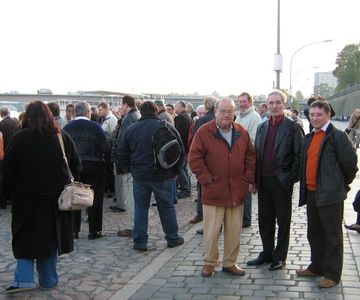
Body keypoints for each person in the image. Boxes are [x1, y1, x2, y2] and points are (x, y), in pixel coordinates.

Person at [2, 101, 81, 293]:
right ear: (49, 116)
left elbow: (7, 171)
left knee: (24, 238)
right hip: (56, 201)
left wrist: (8, 194)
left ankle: (24, 280)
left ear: (28, 116)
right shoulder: (61, 137)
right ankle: (48, 280)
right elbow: (76, 166)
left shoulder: (20, 139)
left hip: (26, 199)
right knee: (50, 240)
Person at [189, 98, 256, 277]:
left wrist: (246, 179)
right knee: (211, 231)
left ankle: (229, 262)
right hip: (213, 190)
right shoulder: (204, 131)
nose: (226, 115)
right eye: (223, 111)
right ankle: (209, 262)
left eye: (230, 111)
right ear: (216, 112)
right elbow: (194, 158)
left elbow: (250, 156)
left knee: (234, 230)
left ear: (234, 113)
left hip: (236, 190)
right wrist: (206, 179)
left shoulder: (241, 132)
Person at [296, 100, 358, 288]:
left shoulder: (338, 137)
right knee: (314, 233)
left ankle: (332, 274)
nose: (315, 118)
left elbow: (350, 166)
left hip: (330, 196)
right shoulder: (310, 137)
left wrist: (338, 186)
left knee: (332, 237)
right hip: (312, 194)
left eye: (319, 115)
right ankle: (316, 266)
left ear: (328, 115)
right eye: (312, 115)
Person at [247, 90, 304, 271]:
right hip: (263, 180)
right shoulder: (262, 126)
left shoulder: (292, 127)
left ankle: (279, 257)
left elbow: (299, 156)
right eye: (271, 102)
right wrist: (254, 180)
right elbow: (257, 153)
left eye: (277, 102)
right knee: (264, 219)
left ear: (284, 104)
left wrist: (289, 178)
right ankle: (267, 253)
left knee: (283, 221)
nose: (274, 106)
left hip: (281, 181)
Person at [117, 100, 184, 252]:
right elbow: (180, 149)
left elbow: (121, 151)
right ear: (156, 111)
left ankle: (140, 242)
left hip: (140, 176)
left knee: (140, 208)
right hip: (162, 175)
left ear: (141, 111)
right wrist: (175, 172)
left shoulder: (131, 129)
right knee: (166, 207)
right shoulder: (166, 126)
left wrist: (129, 169)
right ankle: (173, 238)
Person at [63, 101, 108, 240]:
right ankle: (94, 231)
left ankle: (74, 230)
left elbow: (62, 149)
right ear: (88, 113)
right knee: (95, 198)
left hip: (74, 167)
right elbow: (105, 147)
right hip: (94, 165)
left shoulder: (67, 128)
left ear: (74, 112)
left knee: (74, 198)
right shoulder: (96, 127)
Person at [189, 96, 217, 228]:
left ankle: (203, 218)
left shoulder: (203, 120)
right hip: (218, 160)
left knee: (203, 190)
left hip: (205, 160)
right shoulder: (218, 118)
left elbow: (196, 142)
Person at [115, 95, 141, 237]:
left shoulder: (129, 118)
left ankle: (132, 227)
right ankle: (134, 225)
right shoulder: (136, 115)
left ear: (126, 105)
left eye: (121, 105)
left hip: (130, 164)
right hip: (134, 163)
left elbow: (124, 142)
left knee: (131, 198)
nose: (120, 108)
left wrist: (123, 164)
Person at [235, 92, 262, 228]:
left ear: (250, 102)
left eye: (244, 101)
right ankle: (241, 217)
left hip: (246, 157)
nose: (242, 104)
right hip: (237, 156)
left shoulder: (254, 117)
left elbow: (253, 139)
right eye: (240, 102)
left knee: (246, 188)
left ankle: (245, 219)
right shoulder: (239, 116)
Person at [174, 101, 191, 198]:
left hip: (181, 146)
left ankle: (185, 189)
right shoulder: (186, 115)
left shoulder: (180, 117)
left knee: (181, 167)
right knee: (183, 167)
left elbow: (178, 133)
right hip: (185, 146)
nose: (175, 108)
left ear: (180, 107)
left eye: (176, 106)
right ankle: (186, 187)